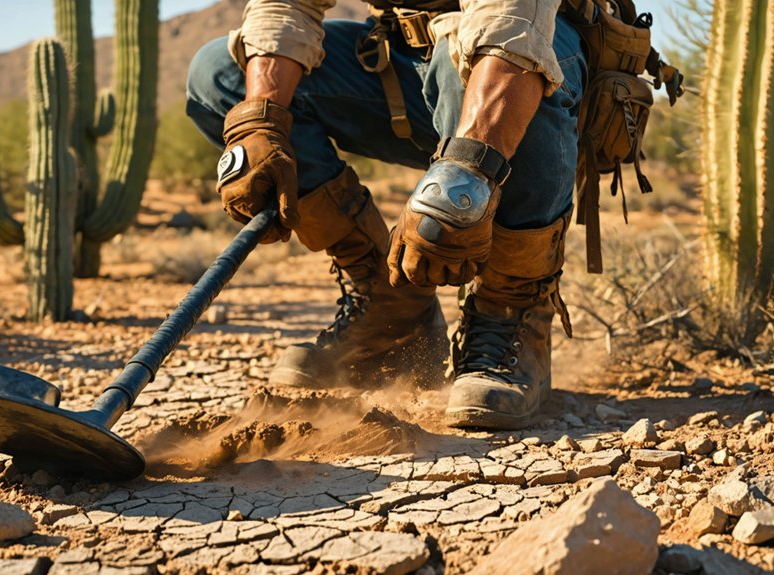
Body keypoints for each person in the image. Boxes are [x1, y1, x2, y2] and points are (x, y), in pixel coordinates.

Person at [185, 0, 585, 430]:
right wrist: (260, 124)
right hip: (405, 58)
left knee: (480, 62)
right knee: (221, 76)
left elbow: (510, 24)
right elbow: (286, 7)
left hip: (524, 42)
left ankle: (511, 312)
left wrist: (467, 174)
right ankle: (390, 308)